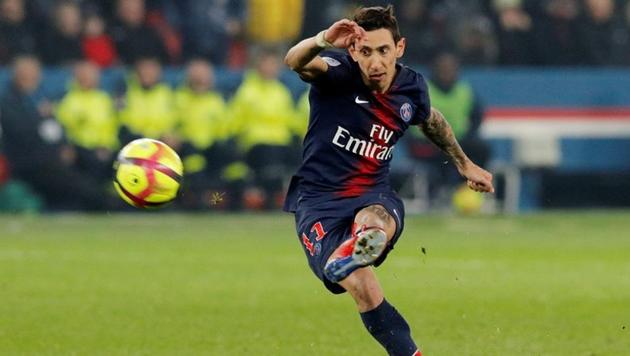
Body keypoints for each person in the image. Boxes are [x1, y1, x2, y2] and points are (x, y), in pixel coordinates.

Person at [283, 5, 494, 355]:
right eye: (365, 52)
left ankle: (364, 240)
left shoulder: (411, 87)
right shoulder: (337, 75)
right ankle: (355, 251)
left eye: (383, 50)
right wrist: (323, 40)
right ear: (353, 50)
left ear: (400, 48)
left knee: (375, 219)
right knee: (363, 287)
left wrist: (464, 163)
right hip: (317, 202)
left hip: (372, 192)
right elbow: (294, 61)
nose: (376, 62)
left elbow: (431, 120)